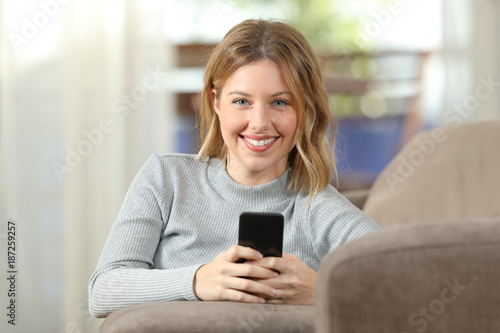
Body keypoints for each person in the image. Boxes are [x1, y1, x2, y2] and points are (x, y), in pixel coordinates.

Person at [88, 19, 380, 318]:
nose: (259, 123)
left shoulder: (318, 207)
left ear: (304, 109)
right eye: (242, 101)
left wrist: (323, 291)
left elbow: (405, 284)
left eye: (280, 102)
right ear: (216, 102)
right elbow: (103, 291)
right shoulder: (166, 178)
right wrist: (198, 280)